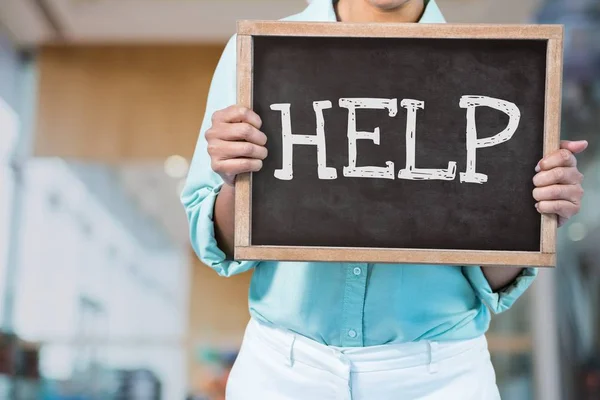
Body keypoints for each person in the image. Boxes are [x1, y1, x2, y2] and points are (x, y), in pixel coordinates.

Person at [181, 0, 588, 398]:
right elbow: (224, 246)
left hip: (439, 375)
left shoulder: (492, 66)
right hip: (283, 369)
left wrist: (533, 215)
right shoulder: (258, 52)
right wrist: (237, 183)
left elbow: (491, 273)